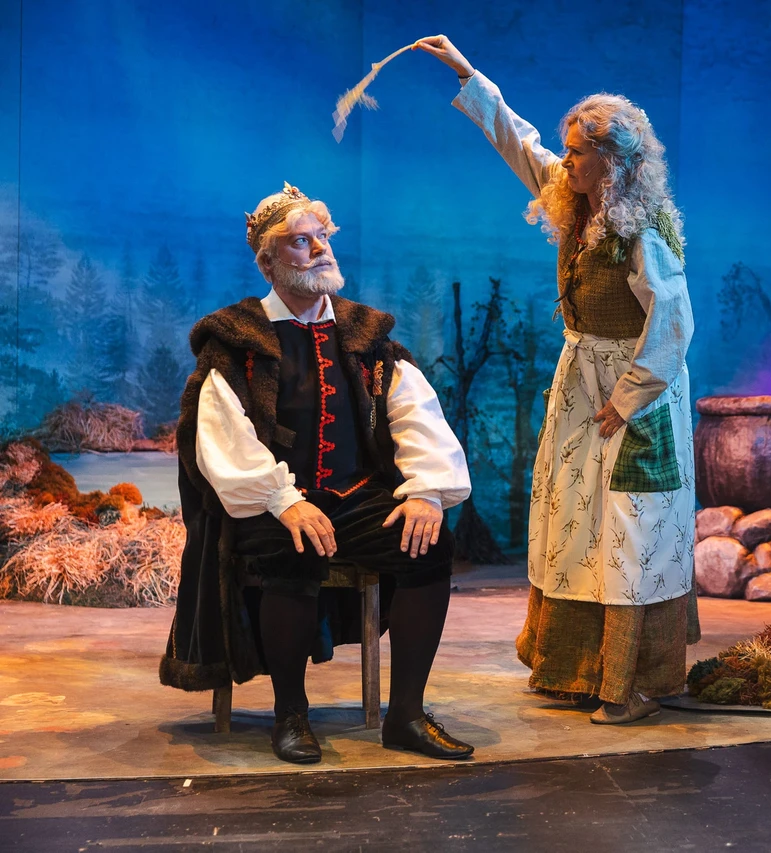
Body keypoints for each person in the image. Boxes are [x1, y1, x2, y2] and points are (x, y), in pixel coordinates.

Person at [416, 35, 699, 724]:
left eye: (578, 152)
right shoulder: (576, 200)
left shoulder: (642, 231)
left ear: (613, 161)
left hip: (635, 394)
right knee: (575, 525)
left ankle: (630, 682)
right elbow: (522, 144)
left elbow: (674, 322)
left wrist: (627, 400)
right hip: (581, 383)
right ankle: (574, 667)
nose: (566, 160)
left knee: (631, 531)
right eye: (567, 150)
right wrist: (468, 75)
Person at [159, 182, 475, 763]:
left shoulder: (364, 335)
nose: (320, 249)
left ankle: (406, 716)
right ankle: (291, 715)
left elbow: (414, 414)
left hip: (354, 494)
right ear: (269, 262)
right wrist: (284, 500)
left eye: (323, 237)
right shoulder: (238, 341)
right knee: (293, 548)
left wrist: (426, 491)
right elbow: (222, 436)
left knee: (428, 545)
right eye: (301, 242)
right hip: (271, 501)